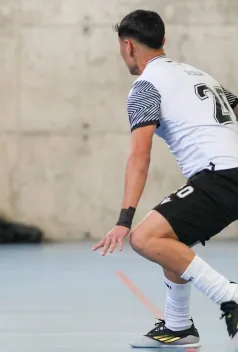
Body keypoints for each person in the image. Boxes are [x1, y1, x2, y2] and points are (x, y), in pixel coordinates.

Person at [92, 9, 238, 349]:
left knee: (145, 238)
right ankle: (178, 325)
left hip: (220, 177)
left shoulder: (145, 87)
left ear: (128, 46)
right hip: (228, 174)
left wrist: (124, 220)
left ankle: (230, 295)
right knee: (170, 239)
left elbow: (139, 158)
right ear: (163, 41)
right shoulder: (199, 75)